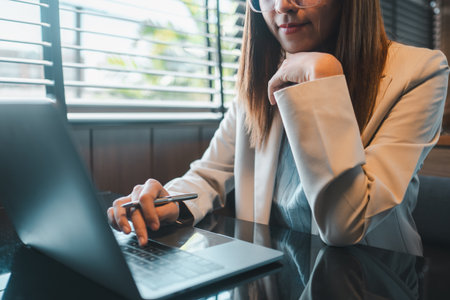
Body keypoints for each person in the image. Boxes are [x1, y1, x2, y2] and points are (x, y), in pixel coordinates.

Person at [108, 0, 449, 256]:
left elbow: (346, 224)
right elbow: (210, 174)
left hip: (371, 275)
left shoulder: (421, 72)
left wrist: (323, 74)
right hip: (272, 270)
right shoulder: (262, 77)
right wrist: (170, 201)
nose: (282, 5)